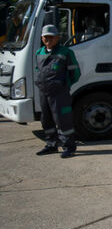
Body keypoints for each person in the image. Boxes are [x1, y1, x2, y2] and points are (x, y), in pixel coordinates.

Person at [35, 25, 80, 158]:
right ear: (42, 38)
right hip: (44, 92)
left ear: (57, 38)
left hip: (60, 93)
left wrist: (64, 85)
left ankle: (69, 147)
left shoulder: (66, 52)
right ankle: (51, 145)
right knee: (46, 120)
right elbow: (38, 70)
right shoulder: (39, 52)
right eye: (46, 37)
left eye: (51, 37)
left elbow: (75, 73)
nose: (48, 39)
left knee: (63, 120)